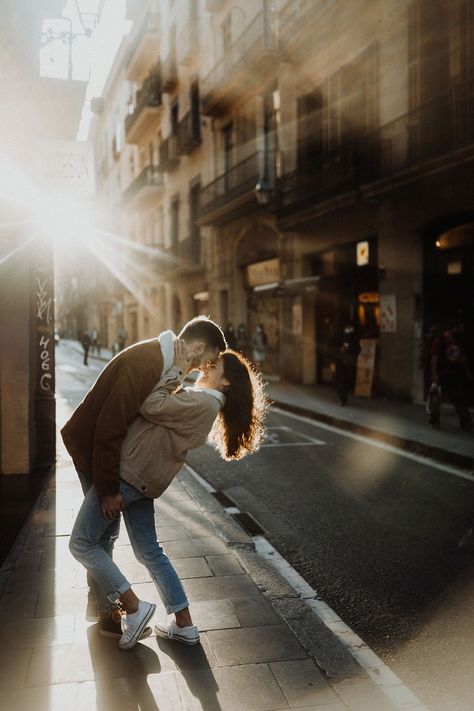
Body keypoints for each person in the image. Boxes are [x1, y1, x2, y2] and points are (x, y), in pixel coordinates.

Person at [69, 344, 267, 650]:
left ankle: (133, 607)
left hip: (130, 475)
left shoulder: (205, 403)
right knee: (148, 550)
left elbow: (151, 405)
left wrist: (174, 370)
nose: (205, 368)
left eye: (213, 367)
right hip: (144, 477)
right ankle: (184, 625)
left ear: (226, 382)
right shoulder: (205, 401)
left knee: (81, 543)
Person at [62, 316, 227, 635]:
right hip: (92, 450)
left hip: (112, 457)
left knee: (105, 535)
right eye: (205, 362)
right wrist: (109, 489)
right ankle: (113, 611)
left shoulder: (164, 362)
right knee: (95, 538)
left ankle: (103, 606)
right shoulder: (148, 361)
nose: (200, 370)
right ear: (197, 347)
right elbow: (109, 428)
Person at [430, 316, 472, 429]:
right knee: (438, 398)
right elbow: (434, 358)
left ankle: (465, 421)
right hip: (442, 373)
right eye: (461, 327)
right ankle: (434, 420)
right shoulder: (441, 340)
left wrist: (467, 371)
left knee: (459, 396)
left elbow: (462, 357)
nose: (462, 330)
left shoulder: (459, 340)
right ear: (455, 327)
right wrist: (434, 375)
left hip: (454, 373)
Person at [330, 323, 360, 406]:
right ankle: (343, 398)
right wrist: (340, 350)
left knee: (346, 379)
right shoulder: (337, 336)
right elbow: (331, 346)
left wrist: (349, 349)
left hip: (348, 361)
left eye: (350, 328)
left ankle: (344, 396)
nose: (348, 330)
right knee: (340, 379)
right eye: (347, 328)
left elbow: (357, 348)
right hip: (340, 361)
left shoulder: (353, 337)